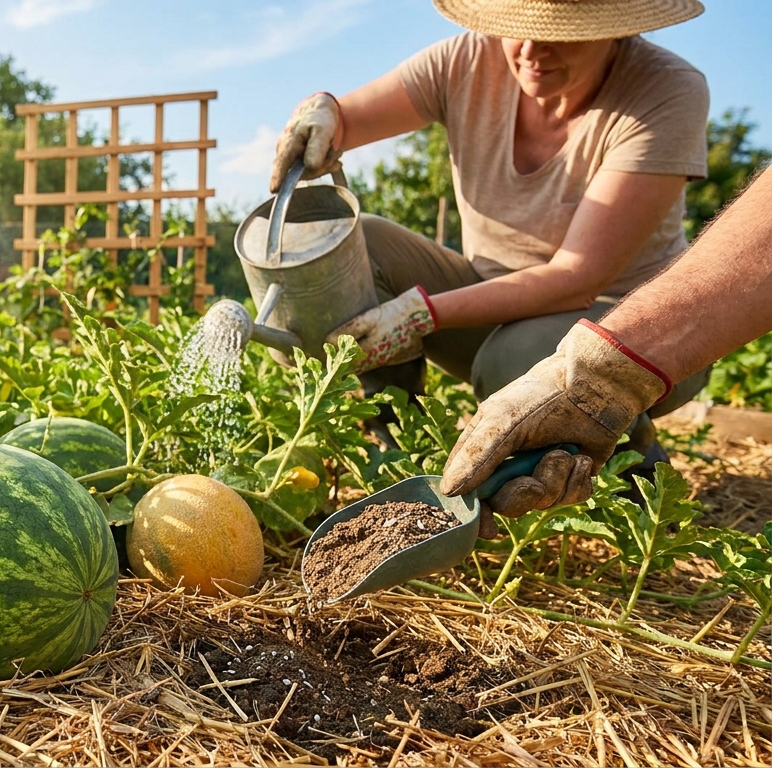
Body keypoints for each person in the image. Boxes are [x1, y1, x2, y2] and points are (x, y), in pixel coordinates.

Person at [270, 0, 710, 468]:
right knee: (362, 244)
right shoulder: (467, 61)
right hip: (497, 311)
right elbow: (348, 118)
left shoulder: (664, 90)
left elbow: (577, 276)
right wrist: (322, 113)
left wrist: (419, 314)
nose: (530, 51)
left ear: (617, 29)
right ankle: (394, 449)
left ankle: (638, 476)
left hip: (638, 331)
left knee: (516, 360)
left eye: (562, 35)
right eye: (516, 27)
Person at [441, 166, 772, 537]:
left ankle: (638, 463)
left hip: (610, 313)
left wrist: (603, 380)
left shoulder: (657, 111)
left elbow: (574, 275)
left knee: (506, 359)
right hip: (507, 313)